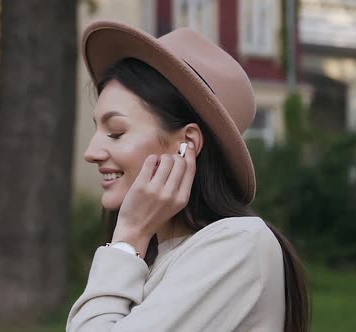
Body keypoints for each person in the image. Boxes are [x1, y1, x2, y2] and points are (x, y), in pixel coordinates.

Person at [66, 21, 310, 331]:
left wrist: (128, 237)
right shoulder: (152, 261)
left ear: (187, 144)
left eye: (115, 132)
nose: (91, 151)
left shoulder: (238, 246)